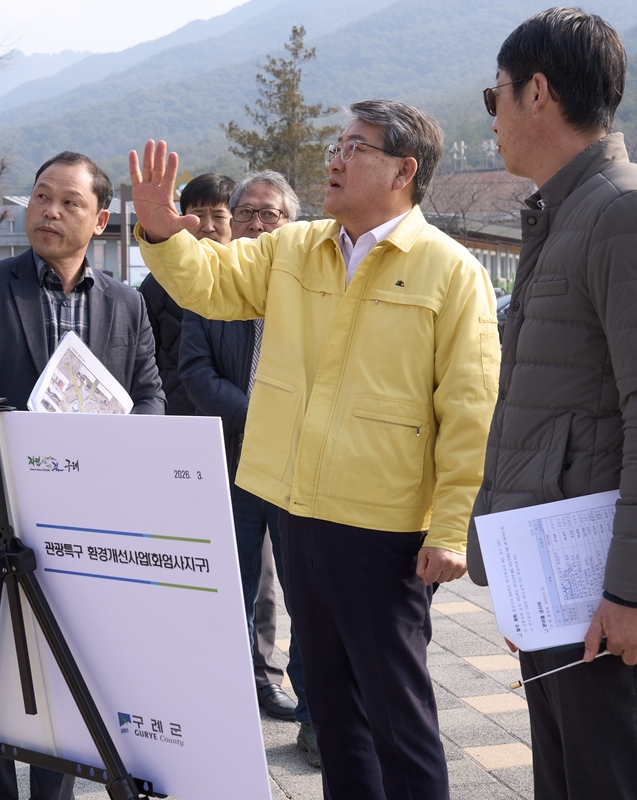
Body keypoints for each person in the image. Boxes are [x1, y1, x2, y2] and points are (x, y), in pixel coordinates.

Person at [130, 98, 499, 800]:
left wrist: (451, 529)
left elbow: (469, 409)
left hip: (386, 531)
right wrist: (159, 230)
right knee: (330, 714)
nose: (335, 157)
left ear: (403, 169)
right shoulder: (295, 247)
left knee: (400, 718)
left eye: (354, 147)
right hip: (299, 513)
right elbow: (209, 285)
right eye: (336, 143)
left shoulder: (449, 272)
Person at [466, 9, 637, 800]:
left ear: (536, 92)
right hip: (569, 594)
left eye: (494, 95)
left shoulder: (629, 212)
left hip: (618, 604)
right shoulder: (568, 213)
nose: (494, 115)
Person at [0, 150, 165, 800]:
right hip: (2, 510)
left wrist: (119, 443)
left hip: (89, 518)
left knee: (71, 670)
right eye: (41, 197)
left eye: (69, 202)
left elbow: (150, 393)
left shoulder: (126, 304)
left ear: (100, 221)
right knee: (2, 670)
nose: (50, 211)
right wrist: (38, 442)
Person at [177, 169, 317, 764]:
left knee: (308, 601)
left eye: (271, 214)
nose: (257, 223)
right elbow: (195, 372)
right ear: (230, 222)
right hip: (227, 467)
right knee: (221, 598)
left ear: (292, 225)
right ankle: (222, 719)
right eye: (247, 213)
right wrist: (262, 415)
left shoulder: (314, 290)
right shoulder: (212, 288)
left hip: (296, 476)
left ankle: (315, 721)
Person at [139, 173, 235, 417]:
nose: (208, 225)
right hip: (175, 413)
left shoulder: (247, 281)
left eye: (219, 216)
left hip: (234, 417)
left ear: (234, 221)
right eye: (198, 215)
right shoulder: (158, 282)